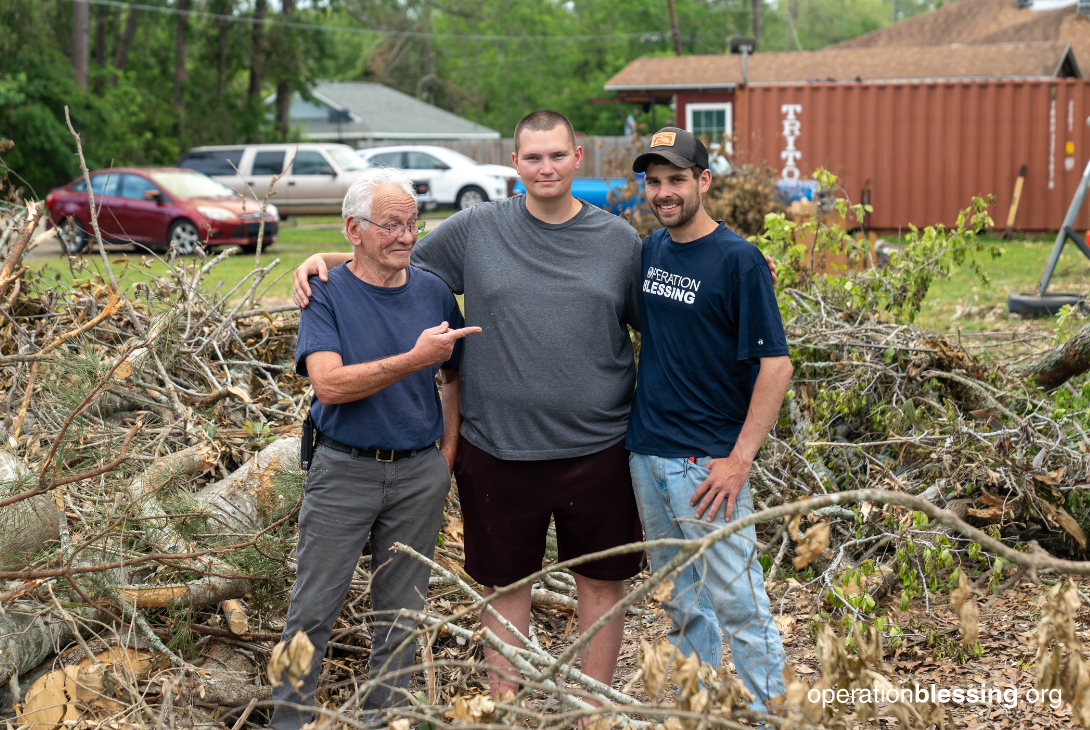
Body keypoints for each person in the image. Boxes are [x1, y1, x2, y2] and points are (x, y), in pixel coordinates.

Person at [290, 112, 780, 702]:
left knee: (602, 583)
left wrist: (745, 270)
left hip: (600, 447)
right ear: (515, 163)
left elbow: (682, 301)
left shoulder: (620, 242)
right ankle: (507, 709)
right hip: (497, 446)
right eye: (532, 157)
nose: (545, 168)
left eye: (556, 155)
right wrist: (321, 260)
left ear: (577, 157)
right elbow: (391, 251)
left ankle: (591, 711)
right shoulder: (475, 229)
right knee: (503, 586)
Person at [271, 167, 480, 730]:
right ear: (353, 230)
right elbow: (329, 385)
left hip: (419, 474)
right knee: (310, 612)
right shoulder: (325, 292)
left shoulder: (433, 291)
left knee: (401, 618)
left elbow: (455, 375)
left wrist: (446, 455)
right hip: (343, 469)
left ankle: (385, 721)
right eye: (391, 225)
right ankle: (288, 720)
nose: (406, 236)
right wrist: (414, 359)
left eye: (413, 223)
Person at [625, 127, 792, 714]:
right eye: (654, 182)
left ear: (704, 181)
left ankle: (771, 717)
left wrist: (739, 460)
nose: (663, 192)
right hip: (648, 455)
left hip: (707, 466)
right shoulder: (650, 250)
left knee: (741, 606)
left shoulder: (739, 260)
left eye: (676, 179)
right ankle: (696, 713)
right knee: (682, 604)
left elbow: (777, 367)